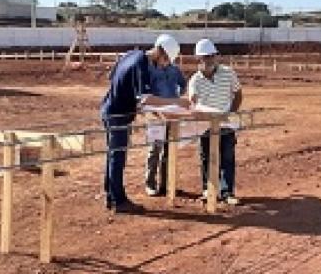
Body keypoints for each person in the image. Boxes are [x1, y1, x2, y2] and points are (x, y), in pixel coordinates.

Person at [100, 35, 188, 212]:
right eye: (165, 60)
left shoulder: (131, 54)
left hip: (110, 108)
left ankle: (112, 196)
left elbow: (113, 78)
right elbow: (146, 99)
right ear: (160, 52)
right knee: (117, 157)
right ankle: (119, 201)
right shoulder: (142, 65)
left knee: (113, 155)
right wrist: (177, 102)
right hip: (118, 114)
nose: (164, 64)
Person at [188, 39, 243, 205]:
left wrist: (231, 112)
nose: (210, 60)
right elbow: (192, 101)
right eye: (206, 57)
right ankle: (208, 190)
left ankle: (227, 192)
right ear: (199, 59)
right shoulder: (195, 80)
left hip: (226, 123)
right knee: (206, 156)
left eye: (212, 56)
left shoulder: (228, 73)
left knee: (227, 156)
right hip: (205, 125)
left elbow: (238, 93)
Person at [144, 57, 187, 196]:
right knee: (154, 149)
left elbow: (183, 84)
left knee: (170, 150)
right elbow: (145, 91)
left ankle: (166, 184)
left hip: (172, 115)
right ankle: (150, 183)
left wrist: (177, 96)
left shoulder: (175, 70)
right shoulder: (150, 70)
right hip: (155, 115)